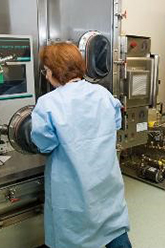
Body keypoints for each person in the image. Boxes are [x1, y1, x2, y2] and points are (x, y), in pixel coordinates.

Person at [31, 42, 131, 248]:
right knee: (113, 230)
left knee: (74, 236)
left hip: (72, 191)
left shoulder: (48, 104)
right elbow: (115, 124)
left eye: (46, 70)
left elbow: (45, 145)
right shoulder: (103, 94)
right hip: (105, 184)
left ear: (53, 71)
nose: (46, 75)